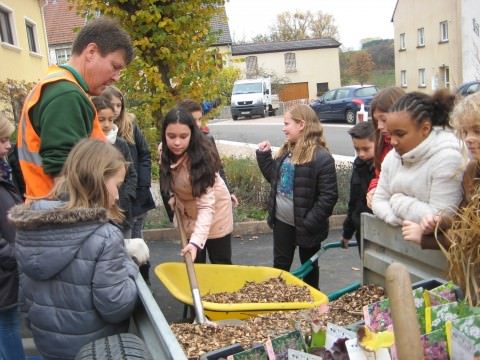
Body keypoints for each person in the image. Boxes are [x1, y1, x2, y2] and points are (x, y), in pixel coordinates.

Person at [10, 139, 147, 360]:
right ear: (99, 180)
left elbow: (26, 296)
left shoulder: (30, 227)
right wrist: (130, 265)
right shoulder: (105, 236)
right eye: (117, 185)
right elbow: (115, 306)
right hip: (95, 349)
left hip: (48, 344)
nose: (118, 195)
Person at [17, 17, 133, 200]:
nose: (116, 77)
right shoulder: (66, 95)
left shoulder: (60, 87)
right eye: (115, 66)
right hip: (60, 216)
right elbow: (65, 175)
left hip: (49, 210)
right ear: (91, 52)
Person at [256, 104, 338, 289]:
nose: (284, 128)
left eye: (287, 124)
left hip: (307, 226)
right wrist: (264, 156)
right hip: (282, 222)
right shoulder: (287, 152)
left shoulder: (321, 158)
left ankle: (311, 306)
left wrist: (309, 221)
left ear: (301, 125)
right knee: (280, 267)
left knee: (309, 267)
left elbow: (329, 196)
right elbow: (275, 179)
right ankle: (280, 306)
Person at [372, 90, 465, 226]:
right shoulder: (392, 158)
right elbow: (378, 200)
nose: (393, 141)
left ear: (425, 129)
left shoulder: (448, 158)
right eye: (391, 134)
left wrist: (397, 201)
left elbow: (440, 216)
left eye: (400, 134)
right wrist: (395, 219)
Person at [402, 92, 480, 249]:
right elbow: (462, 222)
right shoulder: (472, 171)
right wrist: (440, 221)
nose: (468, 138)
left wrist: (425, 240)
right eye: (465, 132)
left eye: (477, 131)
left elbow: (472, 239)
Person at [160, 107, 234, 264]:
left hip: (215, 212)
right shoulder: (164, 151)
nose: (177, 142)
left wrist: (194, 243)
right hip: (190, 213)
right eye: (171, 136)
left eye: (183, 136)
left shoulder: (202, 160)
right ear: (164, 134)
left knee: (220, 263)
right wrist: (175, 196)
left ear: (192, 135)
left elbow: (206, 207)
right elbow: (171, 178)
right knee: (195, 262)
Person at [101, 86, 155, 238]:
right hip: (115, 195)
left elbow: (144, 154)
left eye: (119, 105)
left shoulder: (130, 125)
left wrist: (142, 185)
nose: (116, 109)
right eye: (113, 105)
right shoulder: (101, 133)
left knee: (136, 238)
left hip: (135, 191)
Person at [91, 96, 137, 237]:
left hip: (121, 212)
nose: (106, 125)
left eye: (110, 120)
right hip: (96, 214)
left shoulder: (121, 144)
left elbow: (132, 175)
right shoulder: (87, 146)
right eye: (101, 119)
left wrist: (124, 197)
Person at [0, 115, 25, 360]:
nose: (9, 145)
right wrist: (13, 255)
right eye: (2, 140)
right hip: (4, 269)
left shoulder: (4, 172)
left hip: (6, 268)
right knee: (7, 326)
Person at [365, 87, 406, 209]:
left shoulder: (411, 146)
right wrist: (373, 189)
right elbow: (382, 177)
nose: (379, 126)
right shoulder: (382, 144)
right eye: (376, 121)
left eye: (384, 119)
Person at [341, 121, 375, 254]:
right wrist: (347, 232)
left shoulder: (383, 168)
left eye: (366, 149)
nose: (360, 154)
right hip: (362, 230)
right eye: (357, 149)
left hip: (378, 230)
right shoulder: (358, 165)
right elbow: (354, 201)